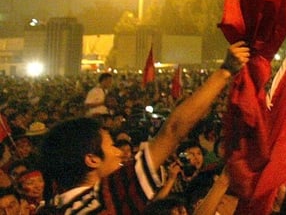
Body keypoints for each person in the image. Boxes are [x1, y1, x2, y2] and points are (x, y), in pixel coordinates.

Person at [38, 42, 250, 215]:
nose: (120, 152)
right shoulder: (105, 200)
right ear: (92, 159)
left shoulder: (49, 208)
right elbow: (173, 130)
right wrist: (225, 71)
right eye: (111, 145)